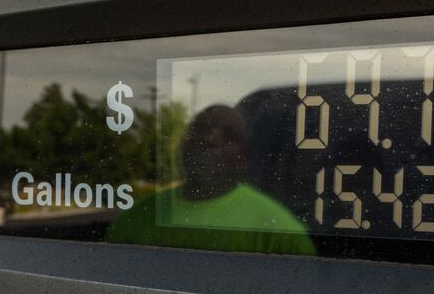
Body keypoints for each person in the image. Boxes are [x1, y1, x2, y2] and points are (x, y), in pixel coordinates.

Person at [106, 105, 316, 255]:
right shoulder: (134, 219)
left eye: (229, 136)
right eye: (200, 128)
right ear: (182, 144)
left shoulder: (281, 233)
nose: (209, 139)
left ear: (245, 157)